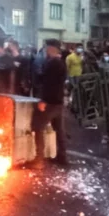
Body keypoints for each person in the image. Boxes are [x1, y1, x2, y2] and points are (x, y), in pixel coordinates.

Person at [26, 39, 68, 169]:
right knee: (59, 129)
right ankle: (62, 157)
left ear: (51, 49)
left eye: (46, 48)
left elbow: (49, 85)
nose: (45, 50)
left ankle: (39, 160)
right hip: (59, 101)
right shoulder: (61, 63)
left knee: (37, 126)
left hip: (50, 102)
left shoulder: (52, 64)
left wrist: (43, 100)